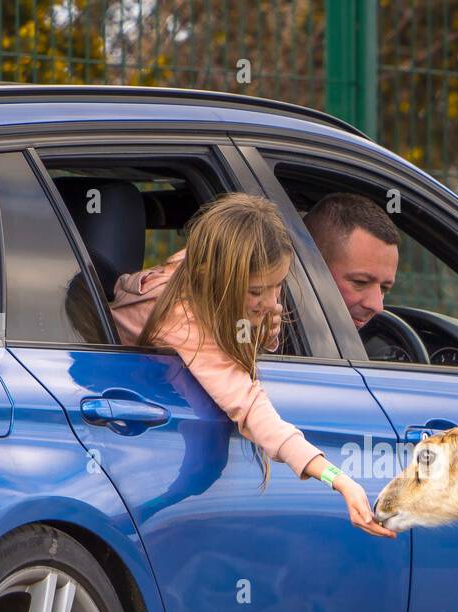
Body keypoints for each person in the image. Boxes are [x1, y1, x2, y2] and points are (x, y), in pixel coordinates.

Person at [110, 192, 394, 538]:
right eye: (258, 291)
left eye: (278, 286)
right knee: (205, 466)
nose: (273, 301)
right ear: (213, 274)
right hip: (128, 405)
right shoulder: (185, 320)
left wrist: (263, 325)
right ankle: (127, 528)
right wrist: (340, 480)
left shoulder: (203, 268)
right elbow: (251, 408)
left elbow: (244, 331)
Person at [301, 192, 400, 331]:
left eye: (384, 288)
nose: (377, 306)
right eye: (360, 282)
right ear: (307, 268)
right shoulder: (270, 338)